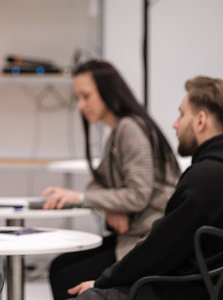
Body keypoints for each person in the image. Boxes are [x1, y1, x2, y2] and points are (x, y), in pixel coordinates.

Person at [69, 76, 223, 300]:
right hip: (204, 283)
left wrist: (101, 282)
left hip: (189, 288)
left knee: (85, 292)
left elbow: (159, 251)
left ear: (201, 120)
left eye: (181, 114)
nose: (174, 124)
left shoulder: (204, 179)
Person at [42, 60, 181, 300]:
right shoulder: (118, 131)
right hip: (134, 233)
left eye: (86, 96)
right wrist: (110, 205)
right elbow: (99, 183)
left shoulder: (130, 129)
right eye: (79, 98)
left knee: (64, 275)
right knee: (60, 267)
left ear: (107, 90)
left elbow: (137, 195)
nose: (81, 106)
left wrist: (81, 198)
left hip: (148, 240)